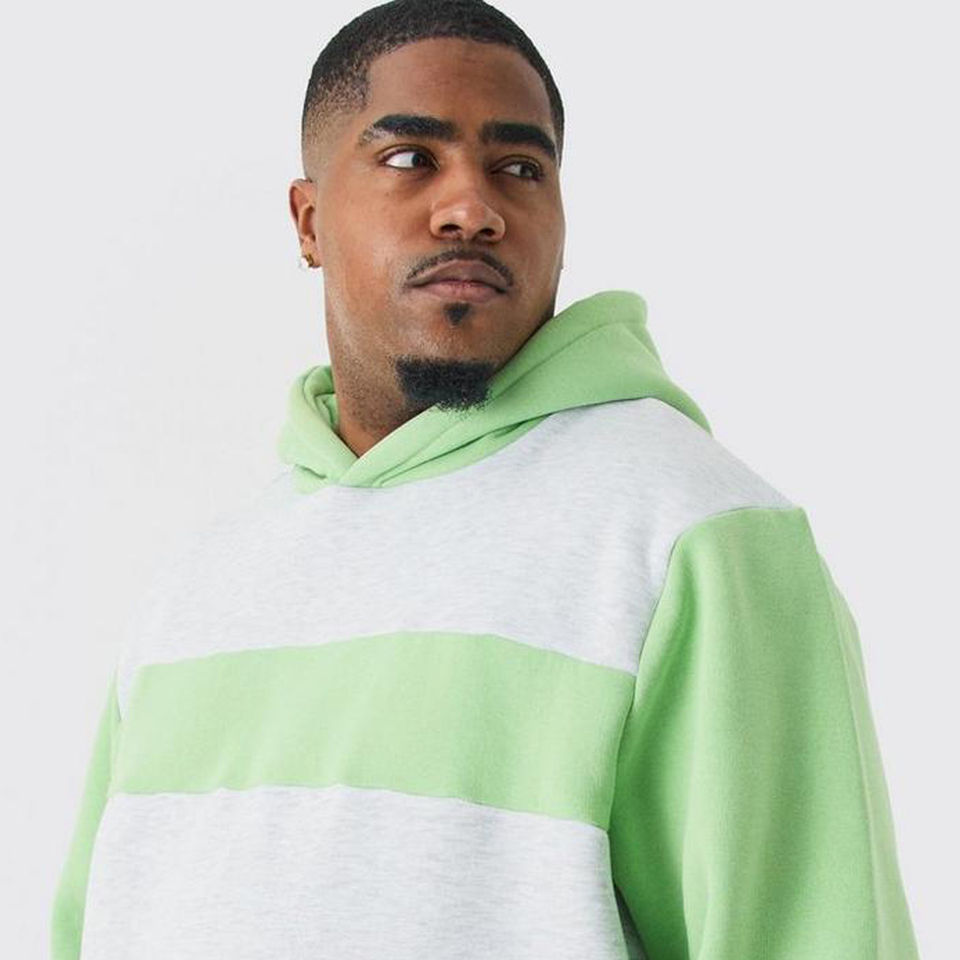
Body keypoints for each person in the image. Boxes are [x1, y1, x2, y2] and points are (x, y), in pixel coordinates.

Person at [50, 1, 921, 958]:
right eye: (410, 158)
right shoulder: (197, 587)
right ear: (309, 221)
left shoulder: (693, 533)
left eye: (519, 168)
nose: (472, 207)